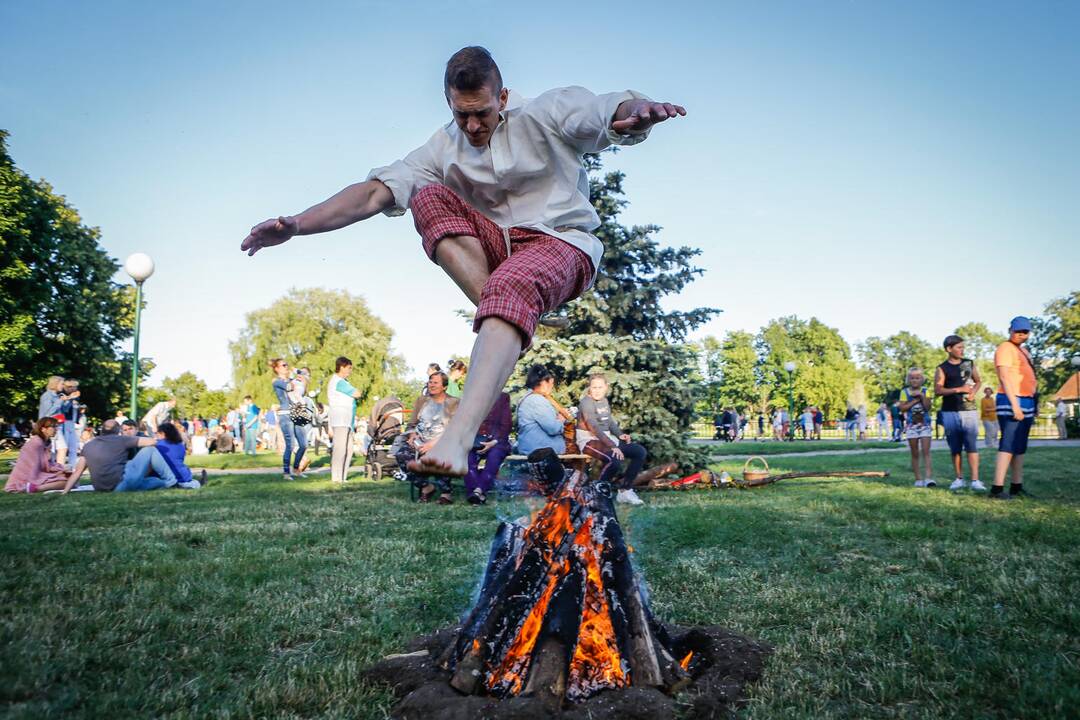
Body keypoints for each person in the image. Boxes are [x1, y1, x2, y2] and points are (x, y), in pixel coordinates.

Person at [241, 46, 684, 480]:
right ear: (449, 105)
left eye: (483, 113)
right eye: (461, 115)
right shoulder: (441, 149)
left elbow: (600, 110)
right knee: (427, 195)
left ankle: (459, 437)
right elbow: (374, 193)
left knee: (512, 283)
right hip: (496, 253)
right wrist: (297, 225)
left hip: (561, 243)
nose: (473, 126)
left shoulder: (545, 112)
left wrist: (633, 110)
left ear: (503, 99)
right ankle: (511, 304)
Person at [577, 373, 648, 506]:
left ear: (606, 387)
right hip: (588, 439)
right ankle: (598, 495)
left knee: (639, 452)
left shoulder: (604, 401)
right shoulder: (586, 403)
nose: (597, 391)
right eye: (594, 388)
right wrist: (612, 446)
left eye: (600, 387)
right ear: (589, 388)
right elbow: (593, 427)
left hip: (606, 438)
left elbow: (609, 422)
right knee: (613, 459)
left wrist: (620, 434)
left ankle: (625, 490)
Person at [990, 317, 1038, 500]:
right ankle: (997, 488)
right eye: (1018, 331)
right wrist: (1015, 405)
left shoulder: (1023, 351)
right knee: (1008, 444)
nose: (1021, 334)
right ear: (1010, 330)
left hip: (1026, 400)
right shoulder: (1005, 348)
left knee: (1020, 446)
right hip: (1011, 400)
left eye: (1025, 332)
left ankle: (1016, 486)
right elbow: (1004, 377)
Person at [62, 419, 179, 493]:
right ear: (118, 430)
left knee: (155, 481)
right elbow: (152, 442)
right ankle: (172, 481)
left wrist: (65, 491)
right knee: (150, 451)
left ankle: (163, 483)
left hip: (101, 489)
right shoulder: (122, 439)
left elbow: (78, 471)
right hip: (121, 484)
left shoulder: (88, 445)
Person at [397, 372, 460, 503]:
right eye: (430, 382)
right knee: (402, 455)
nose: (431, 385)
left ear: (444, 386)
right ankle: (426, 487)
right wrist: (412, 434)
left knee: (439, 455)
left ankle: (446, 493)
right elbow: (412, 423)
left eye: (435, 382)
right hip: (420, 440)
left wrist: (433, 444)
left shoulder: (454, 402)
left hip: (443, 441)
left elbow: (455, 429)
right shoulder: (422, 400)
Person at [935, 335, 986, 492]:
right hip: (950, 411)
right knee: (955, 447)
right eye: (959, 347)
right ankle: (958, 479)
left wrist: (973, 393)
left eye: (963, 347)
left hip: (969, 410)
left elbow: (978, 381)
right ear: (949, 349)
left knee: (971, 445)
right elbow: (938, 390)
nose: (962, 350)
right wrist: (959, 389)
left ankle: (975, 480)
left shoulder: (968, 364)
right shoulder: (942, 368)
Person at [464, 392, 511, 505]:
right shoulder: (473, 396)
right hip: (476, 440)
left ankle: (478, 490)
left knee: (494, 456)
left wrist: (493, 441)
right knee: (467, 457)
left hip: (497, 441)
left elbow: (506, 424)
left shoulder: (502, 397)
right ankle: (478, 494)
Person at [516, 365, 570, 457]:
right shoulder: (537, 400)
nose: (552, 386)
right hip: (540, 452)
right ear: (543, 382)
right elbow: (553, 428)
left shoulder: (527, 398)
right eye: (551, 383)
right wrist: (561, 419)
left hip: (534, 449)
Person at [4, 417, 69, 493]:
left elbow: (46, 463)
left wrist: (60, 469)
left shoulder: (45, 442)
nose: (56, 429)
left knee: (71, 479)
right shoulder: (36, 443)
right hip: (27, 477)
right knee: (67, 482)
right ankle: (34, 488)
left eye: (56, 426)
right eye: (53, 426)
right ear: (43, 429)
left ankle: (34, 487)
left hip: (36, 473)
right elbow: (34, 467)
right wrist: (59, 469)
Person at [327, 356, 363, 483]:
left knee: (348, 449)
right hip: (340, 419)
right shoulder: (338, 381)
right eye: (349, 368)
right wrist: (357, 391)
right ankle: (336, 477)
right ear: (341, 367)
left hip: (347, 420)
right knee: (340, 449)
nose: (350, 371)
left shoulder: (344, 382)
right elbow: (357, 393)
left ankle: (342, 477)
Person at [270, 358, 308, 479]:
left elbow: (305, 379)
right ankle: (286, 472)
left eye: (287, 365)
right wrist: (294, 378)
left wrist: (299, 374)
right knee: (290, 444)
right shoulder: (276, 381)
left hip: (297, 412)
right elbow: (289, 387)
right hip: (285, 414)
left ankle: (296, 468)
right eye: (283, 365)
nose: (286, 367)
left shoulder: (292, 379)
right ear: (277, 368)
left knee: (303, 444)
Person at [899, 368, 934, 487]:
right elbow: (902, 408)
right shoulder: (905, 392)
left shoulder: (925, 390)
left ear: (922, 379)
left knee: (926, 451)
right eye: (912, 378)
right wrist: (915, 401)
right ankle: (918, 478)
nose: (915, 380)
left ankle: (928, 478)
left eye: (917, 377)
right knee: (915, 453)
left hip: (925, 425)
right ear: (909, 379)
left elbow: (928, 407)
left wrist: (922, 396)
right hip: (911, 426)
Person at [156, 422, 206, 489]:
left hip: (168, 477)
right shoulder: (180, 445)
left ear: (163, 433)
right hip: (184, 476)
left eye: (157, 433)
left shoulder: (158, 445)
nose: (156, 436)